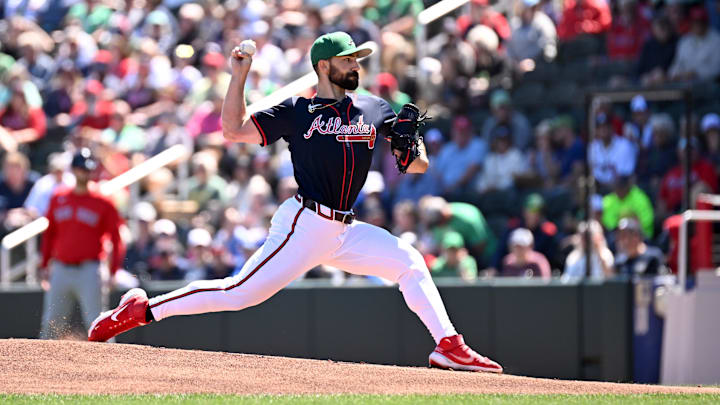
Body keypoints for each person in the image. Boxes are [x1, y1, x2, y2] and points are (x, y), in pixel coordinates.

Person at [88, 32, 503, 373]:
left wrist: (413, 141)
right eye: (348, 60)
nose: (357, 65)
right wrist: (239, 75)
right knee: (238, 293)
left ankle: (448, 345)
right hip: (304, 223)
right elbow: (233, 129)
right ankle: (142, 310)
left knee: (409, 261)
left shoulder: (375, 108)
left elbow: (417, 166)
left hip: (344, 230)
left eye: (358, 59)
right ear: (324, 66)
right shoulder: (298, 110)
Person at [39, 148, 125, 339]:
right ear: (73, 170)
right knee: (51, 323)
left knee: (98, 323)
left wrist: (113, 270)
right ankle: (43, 368)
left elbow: (116, 238)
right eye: (79, 169)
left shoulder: (103, 201)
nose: (83, 173)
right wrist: (44, 264)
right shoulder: (58, 197)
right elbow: (49, 234)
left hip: (90, 269)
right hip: (61, 268)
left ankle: (109, 367)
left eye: (86, 169)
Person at [668, 6, 720, 82]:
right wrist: (674, 74)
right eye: (694, 22)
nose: (697, 25)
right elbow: (676, 65)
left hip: (709, 87)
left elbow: (717, 69)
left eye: (700, 22)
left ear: (706, 22)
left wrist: (696, 73)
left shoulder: (717, 40)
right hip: (685, 87)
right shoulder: (684, 41)